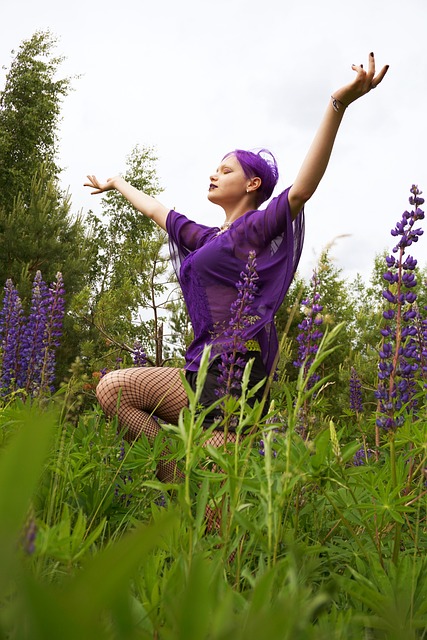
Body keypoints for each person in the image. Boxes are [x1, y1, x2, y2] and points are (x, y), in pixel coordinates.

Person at [85, 53, 388, 483]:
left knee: (215, 510)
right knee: (113, 389)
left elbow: (301, 190)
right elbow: (157, 209)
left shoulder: (255, 229)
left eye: (225, 169)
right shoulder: (208, 238)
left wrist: (337, 104)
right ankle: (173, 477)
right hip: (198, 369)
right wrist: (116, 182)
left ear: (252, 184)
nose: (213, 174)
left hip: (237, 374)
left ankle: (204, 514)